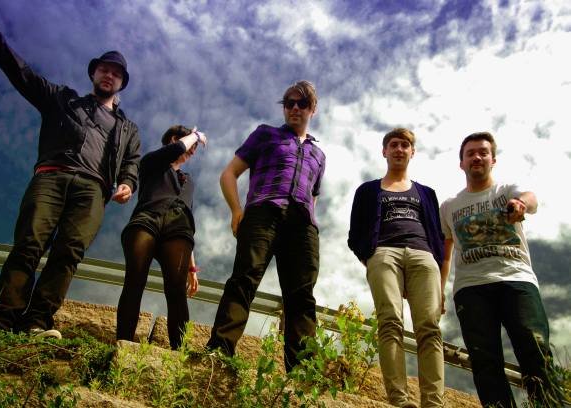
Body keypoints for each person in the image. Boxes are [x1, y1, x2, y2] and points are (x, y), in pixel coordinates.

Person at [0, 0, 141, 337]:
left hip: (93, 191)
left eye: (116, 73)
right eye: (104, 69)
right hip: (51, 177)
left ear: (121, 83)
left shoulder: (127, 128)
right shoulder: (62, 99)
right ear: (94, 73)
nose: (109, 75)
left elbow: (132, 161)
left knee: (68, 253)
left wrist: (128, 182)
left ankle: (36, 322)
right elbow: (22, 73)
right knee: (29, 243)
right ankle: (0, 324)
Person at [206, 80, 326, 372]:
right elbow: (229, 174)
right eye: (289, 103)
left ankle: (302, 373)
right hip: (264, 212)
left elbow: (313, 196)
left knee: (302, 296)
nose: (294, 108)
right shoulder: (265, 134)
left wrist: (311, 222)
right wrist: (236, 210)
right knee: (244, 278)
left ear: (312, 109)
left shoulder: (318, 155)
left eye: (302, 103)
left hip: (303, 225)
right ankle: (219, 352)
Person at [440, 132, 560, 407]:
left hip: (516, 279)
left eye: (483, 152)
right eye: (470, 153)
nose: (477, 157)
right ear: (461, 163)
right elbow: (445, 255)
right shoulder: (448, 207)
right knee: (484, 361)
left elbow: (531, 198)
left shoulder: (507, 190)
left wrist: (521, 205)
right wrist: (439, 291)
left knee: (535, 350)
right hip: (470, 288)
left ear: (493, 160)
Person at [348, 128, 445, 408]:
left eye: (405, 145)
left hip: (423, 256)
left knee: (429, 327)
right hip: (383, 254)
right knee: (390, 321)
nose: (399, 149)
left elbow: (438, 234)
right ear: (385, 151)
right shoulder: (367, 190)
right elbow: (355, 234)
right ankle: (399, 400)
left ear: (412, 152)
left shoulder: (427, 193)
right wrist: (371, 259)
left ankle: (434, 403)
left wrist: (438, 272)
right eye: (394, 145)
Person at [116, 125, 206, 349]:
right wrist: (196, 135)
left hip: (178, 229)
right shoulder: (152, 161)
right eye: (191, 145)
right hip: (147, 220)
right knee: (135, 280)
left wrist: (192, 267)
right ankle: (123, 343)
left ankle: (179, 351)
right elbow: (176, 149)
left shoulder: (188, 180)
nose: (193, 150)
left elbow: (188, 218)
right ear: (175, 139)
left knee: (176, 289)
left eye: (195, 146)